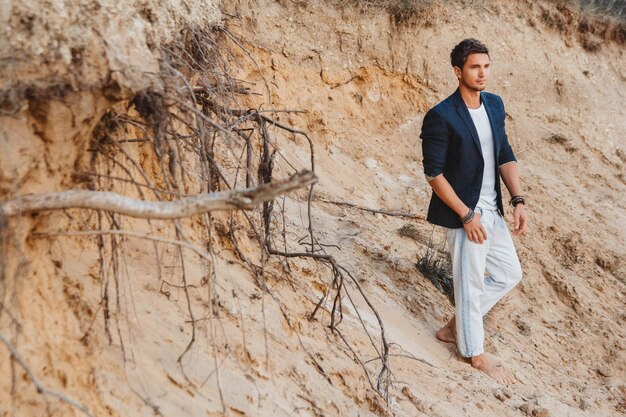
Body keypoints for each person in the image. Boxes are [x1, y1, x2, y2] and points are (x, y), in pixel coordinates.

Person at [420, 38, 527, 384]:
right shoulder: (441, 116)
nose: (482, 73)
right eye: (474, 67)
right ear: (458, 71)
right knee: (470, 284)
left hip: (493, 210)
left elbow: (505, 154)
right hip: (463, 213)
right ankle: (475, 356)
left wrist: (517, 199)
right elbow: (433, 174)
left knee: (509, 274)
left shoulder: (494, 105)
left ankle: (455, 329)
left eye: (486, 66)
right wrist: (466, 216)